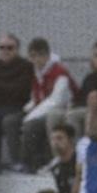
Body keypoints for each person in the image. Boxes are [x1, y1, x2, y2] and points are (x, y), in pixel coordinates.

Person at [19, 37, 75, 172]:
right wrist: (26, 110)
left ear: (47, 55)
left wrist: (31, 116)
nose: (36, 60)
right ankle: (21, 161)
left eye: (40, 56)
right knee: (12, 120)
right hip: (46, 109)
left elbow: (56, 101)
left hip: (64, 109)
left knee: (31, 125)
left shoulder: (60, 73)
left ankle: (31, 163)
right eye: (33, 56)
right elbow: (36, 97)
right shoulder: (38, 73)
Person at [0, 33, 33, 167]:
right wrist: (4, 90)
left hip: (16, 106)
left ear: (17, 49)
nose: (5, 51)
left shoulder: (25, 67)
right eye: (2, 48)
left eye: (10, 48)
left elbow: (21, 91)